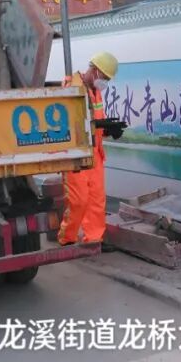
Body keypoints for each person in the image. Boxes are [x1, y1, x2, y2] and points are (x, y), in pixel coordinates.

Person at [57, 51, 118, 246]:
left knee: (97, 200)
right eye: (104, 77)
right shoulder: (71, 87)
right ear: (94, 70)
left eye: (107, 79)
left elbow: (97, 121)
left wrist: (108, 129)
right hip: (76, 155)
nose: (104, 82)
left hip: (95, 154)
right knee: (78, 201)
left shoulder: (96, 91)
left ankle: (94, 239)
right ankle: (67, 237)